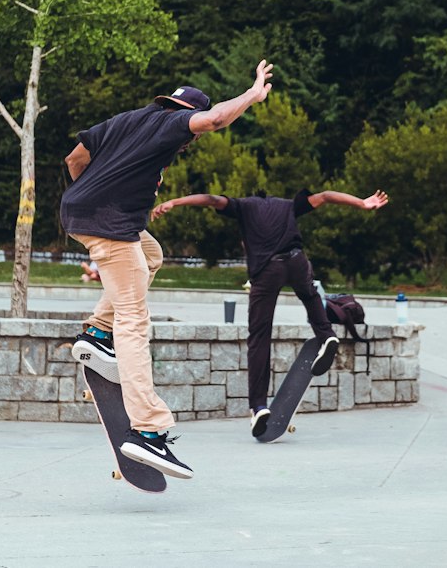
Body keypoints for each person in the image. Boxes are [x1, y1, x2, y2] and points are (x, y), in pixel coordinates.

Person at [61, 59, 274, 480]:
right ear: (183, 116)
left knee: (151, 254)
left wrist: (92, 192)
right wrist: (252, 94)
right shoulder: (173, 125)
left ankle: (97, 332)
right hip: (110, 227)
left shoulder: (128, 120)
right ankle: (148, 429)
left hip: (82, 213)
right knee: (135, 321)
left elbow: (75, 157)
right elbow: (213, 120)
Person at [152, 185, 389, 437]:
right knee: (308, 293)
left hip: (268, 270)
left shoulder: (242, 206)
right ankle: (326, 334)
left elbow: (210, 199)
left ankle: (258, 407)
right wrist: (362, 203)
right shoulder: (288, 205)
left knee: (259, 337)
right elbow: (326, 196)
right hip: (297, 260)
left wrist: (175, 202)